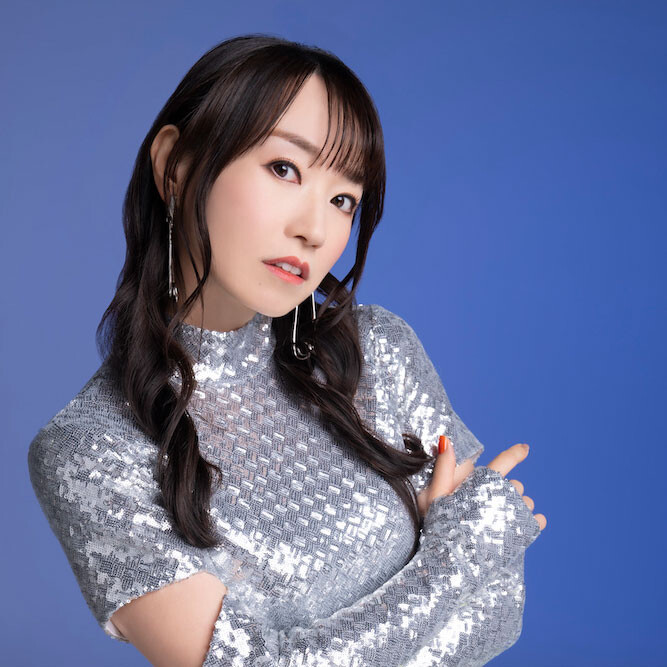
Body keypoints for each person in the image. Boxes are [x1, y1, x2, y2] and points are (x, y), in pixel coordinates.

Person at [27, 34, 546, 666]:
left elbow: (500, 611)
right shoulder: (91, 453)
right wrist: (458, 556)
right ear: (175, 165)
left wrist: (460, 575)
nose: (315, 229)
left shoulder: (376, 355)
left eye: (343, 199)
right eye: (284, 169)